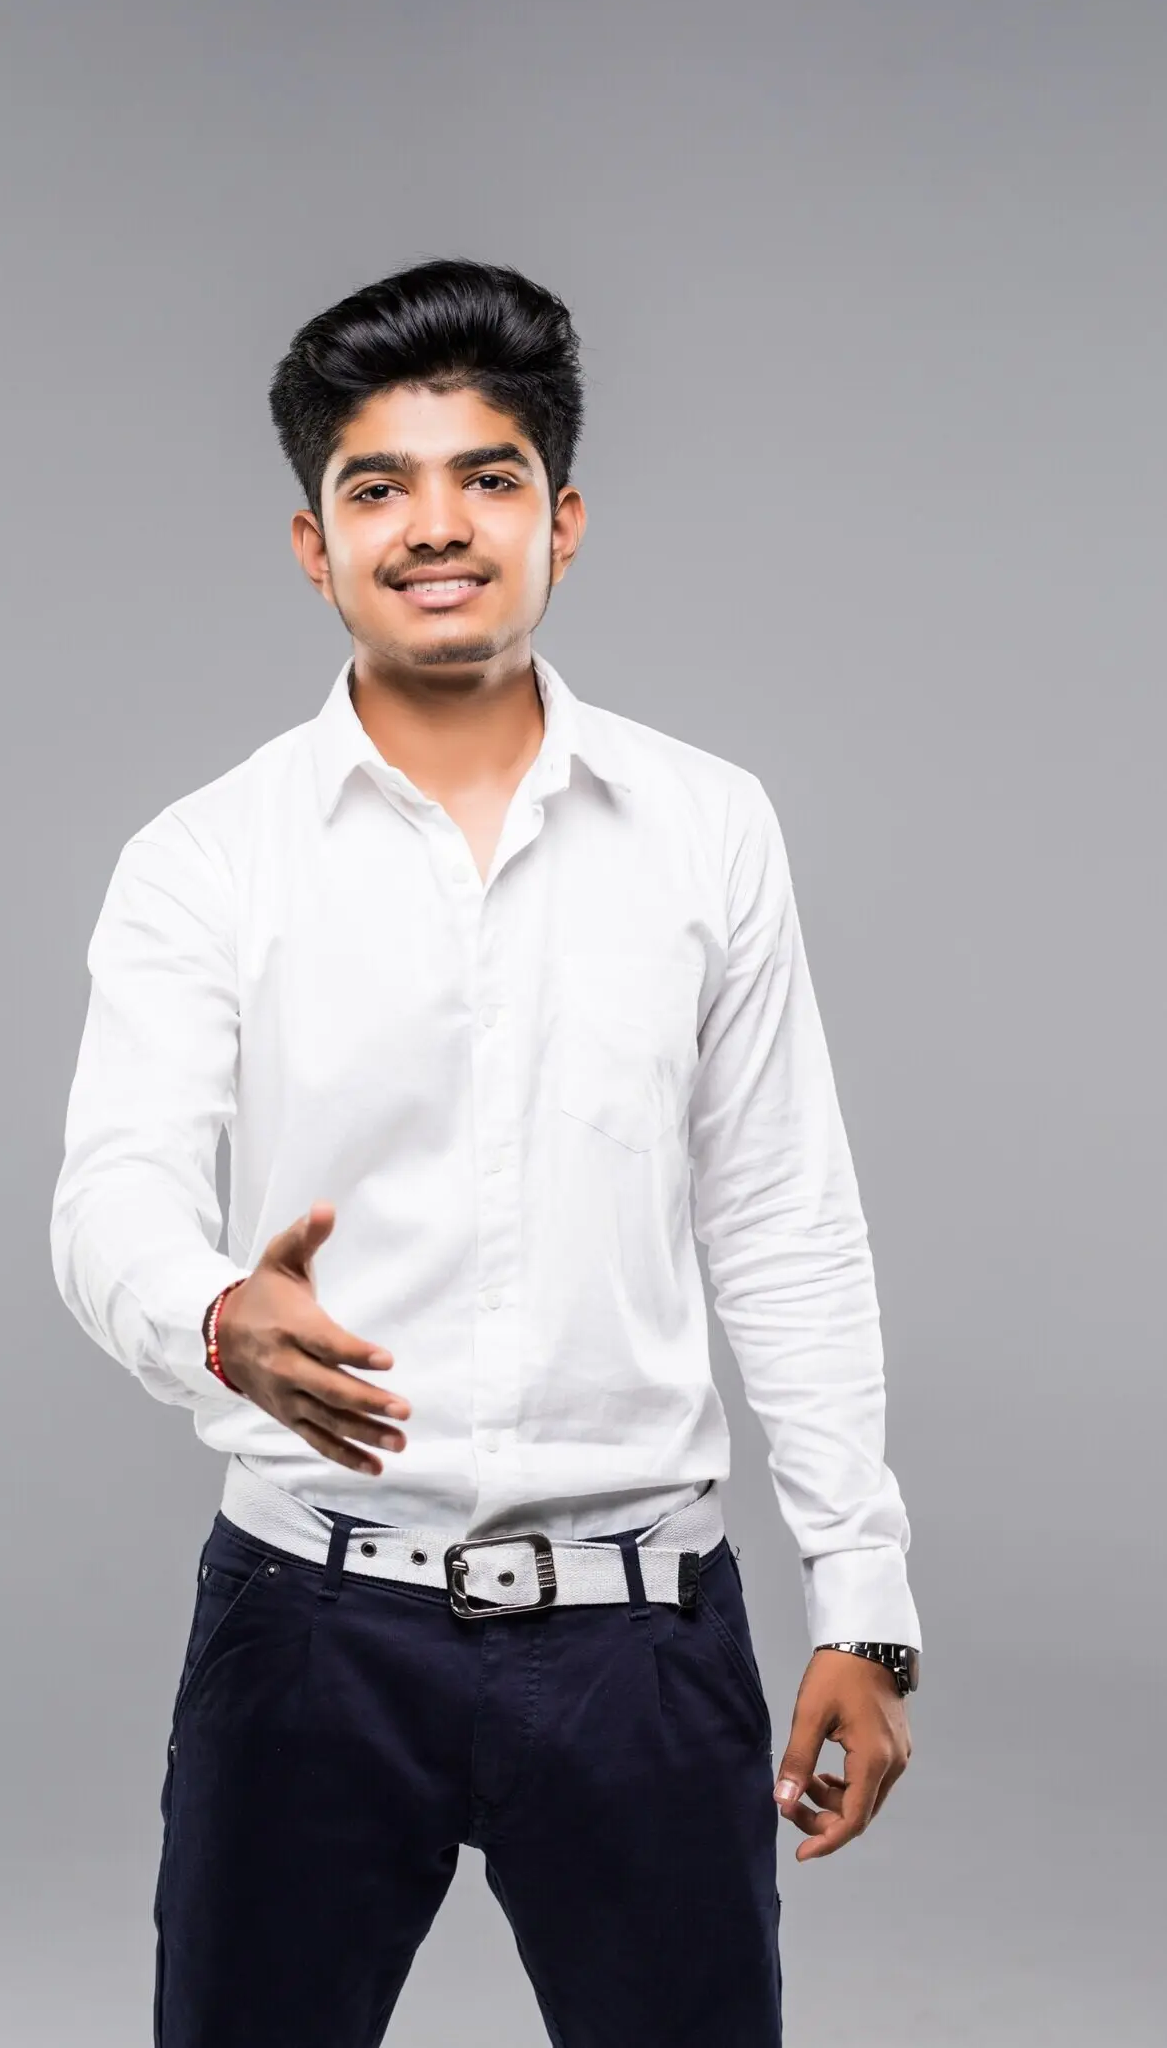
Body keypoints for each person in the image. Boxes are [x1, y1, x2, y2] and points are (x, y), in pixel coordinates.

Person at [50, 256, 920, 2048]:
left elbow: (781, 1216)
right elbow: (111, 1189)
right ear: (314, 540)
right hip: (310, 1621)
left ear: (562, 517)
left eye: (488, 476)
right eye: (379, 484)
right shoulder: (205, 858)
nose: (435, 525)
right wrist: (216, 1307)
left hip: (644, 1635)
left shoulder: (707, 827)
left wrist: (870, 1600)